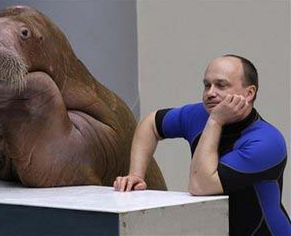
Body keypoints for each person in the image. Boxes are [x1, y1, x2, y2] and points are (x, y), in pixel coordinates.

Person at [113, 55, 291, 236]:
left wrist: (215, 121)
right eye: (207, 85)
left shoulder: (267, 142)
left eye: (221, 85)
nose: (210, 93)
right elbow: (151, 124)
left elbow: (200, 185)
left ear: (249, 93)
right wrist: (136, 174)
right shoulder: (198, 115)